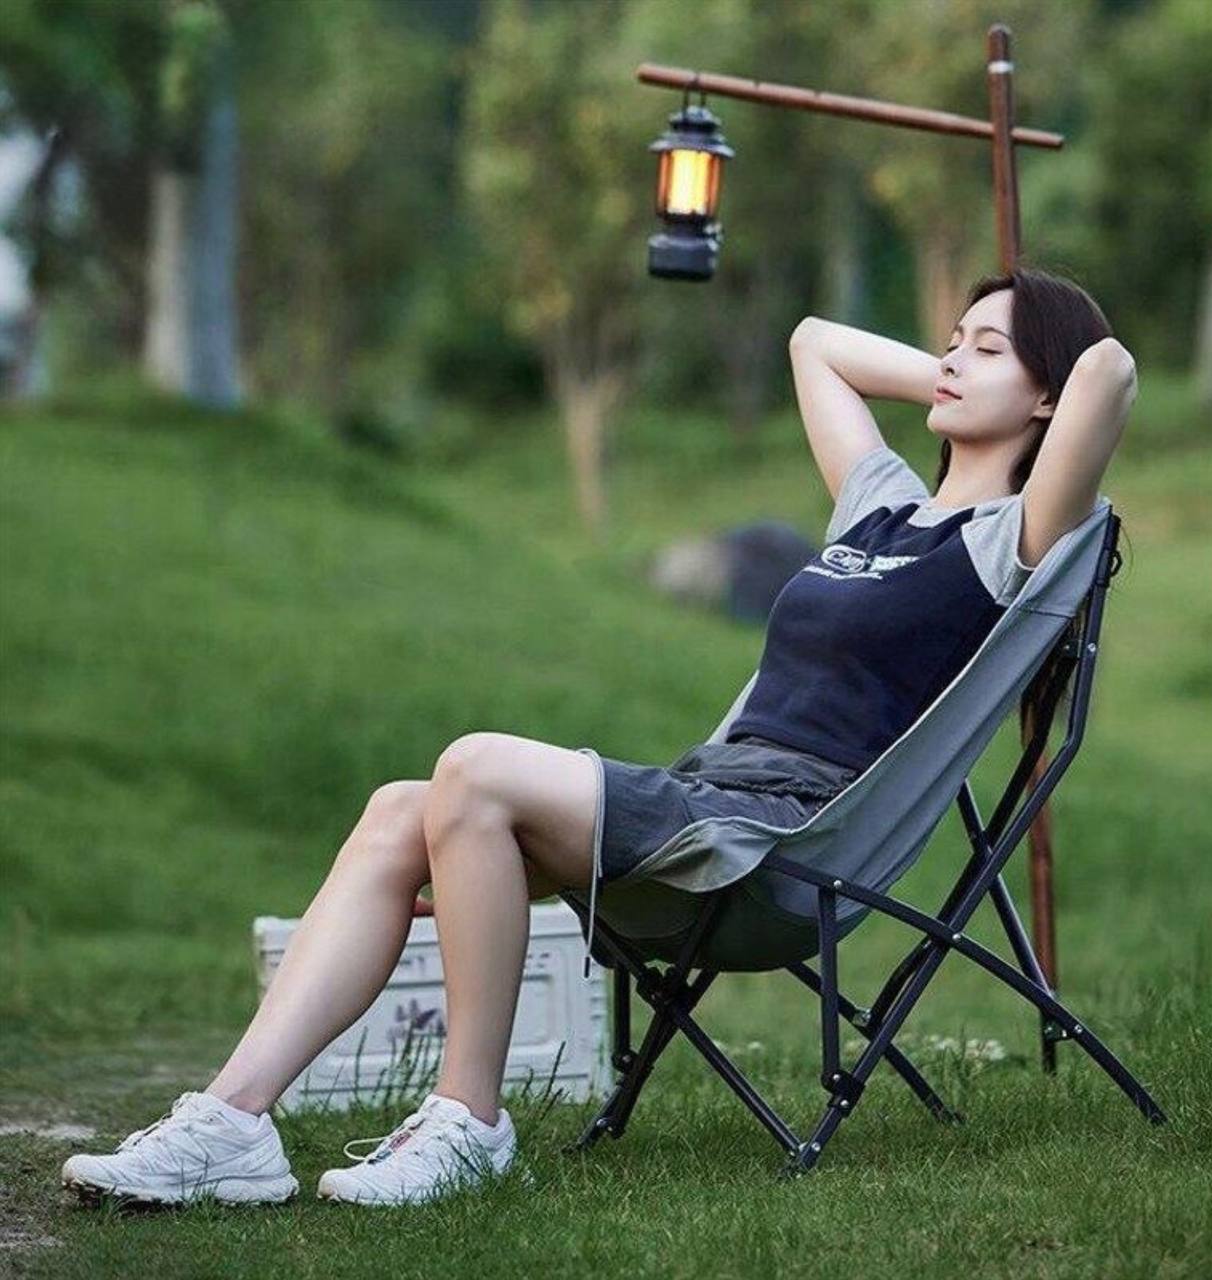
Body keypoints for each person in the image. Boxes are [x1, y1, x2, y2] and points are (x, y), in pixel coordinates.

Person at [61, 266, 1137, 1209]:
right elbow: (814, 342)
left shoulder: (1015, 538)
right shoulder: (878, 505)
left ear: (1045, 393)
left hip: (775, 843)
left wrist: (1025, 367)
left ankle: (468, 1125)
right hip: (706, 795)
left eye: (984, 349)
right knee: (399, 812)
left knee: (472, 769)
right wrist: (960, 370)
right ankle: (233, 1122)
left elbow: (1110, 369)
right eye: (948, 340)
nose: (949, 360)